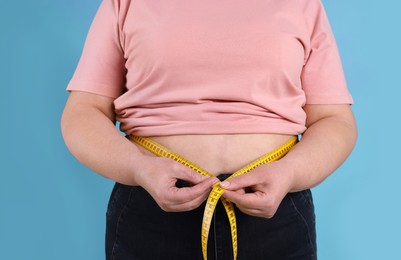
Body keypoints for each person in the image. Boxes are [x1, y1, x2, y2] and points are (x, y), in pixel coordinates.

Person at [61, 0, 357, 259]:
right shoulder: (125, 2)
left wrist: (290, 172)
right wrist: (138, 167)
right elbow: (83, 112)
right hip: (151, 213)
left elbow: (334, 120)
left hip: (276, 217)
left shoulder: (302, 3)